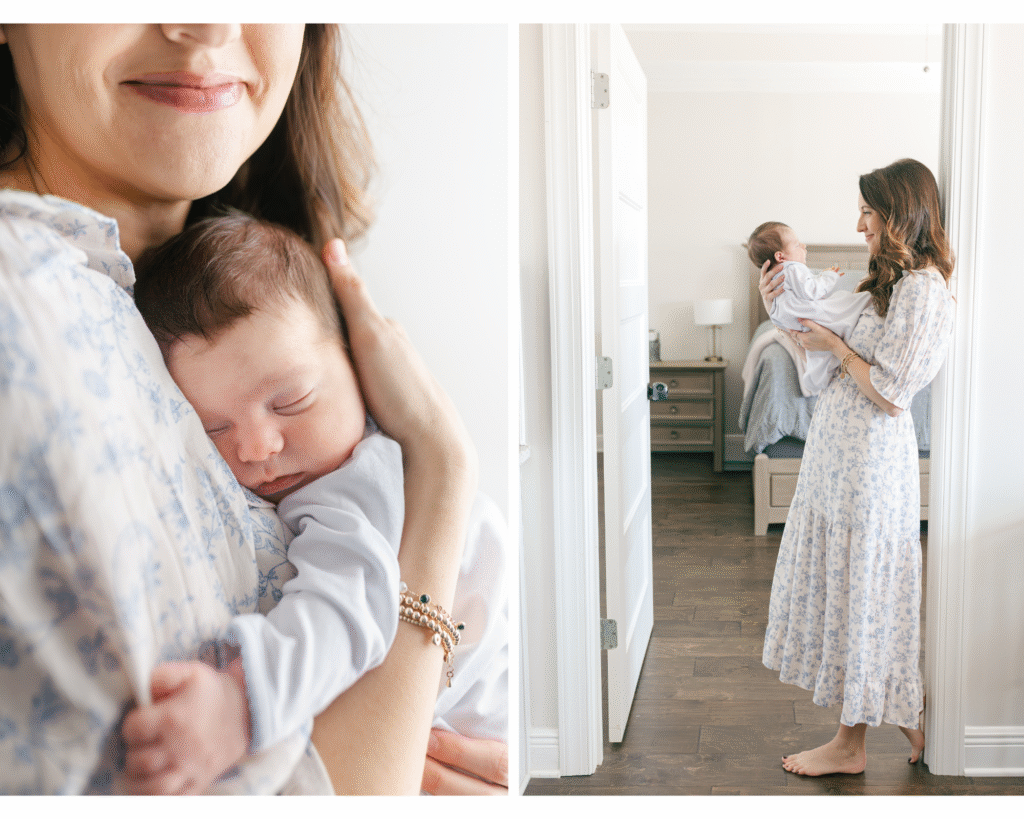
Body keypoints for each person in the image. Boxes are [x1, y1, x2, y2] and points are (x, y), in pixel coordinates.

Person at [0, 24, 507, 795]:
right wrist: (441, 467)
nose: (207, 25)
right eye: (215, 428)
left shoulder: (233, 305)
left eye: (292, 400)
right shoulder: (29, 312)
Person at [125, 212, 507, 794]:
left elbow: (346, 607)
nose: (256, 447)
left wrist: (240, 703)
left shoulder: (358, 480)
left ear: (358, 366)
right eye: (213, 429)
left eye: (291, 401)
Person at [757, 158, 955, 777]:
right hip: (841, 455)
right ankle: (902, 717)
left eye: (869, 211)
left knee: (862, 592)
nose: (860, 223)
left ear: (900, 213)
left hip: (870, 461)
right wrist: (781, 304)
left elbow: (893, 393)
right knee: (852, 593)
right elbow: (820, 337)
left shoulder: (923, 290)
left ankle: (851, 744)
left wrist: (837, 349)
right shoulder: (890, 282)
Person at [746, 221, 872, 395]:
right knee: (846, 301)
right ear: (780, 257)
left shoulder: (777, 277)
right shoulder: (793, 268)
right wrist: (829, 276)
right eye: (797, 244)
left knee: (817, 352)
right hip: (810, 314)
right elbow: (812, 290)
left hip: (791, 321)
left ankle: (817, 377)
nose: (804, 246)